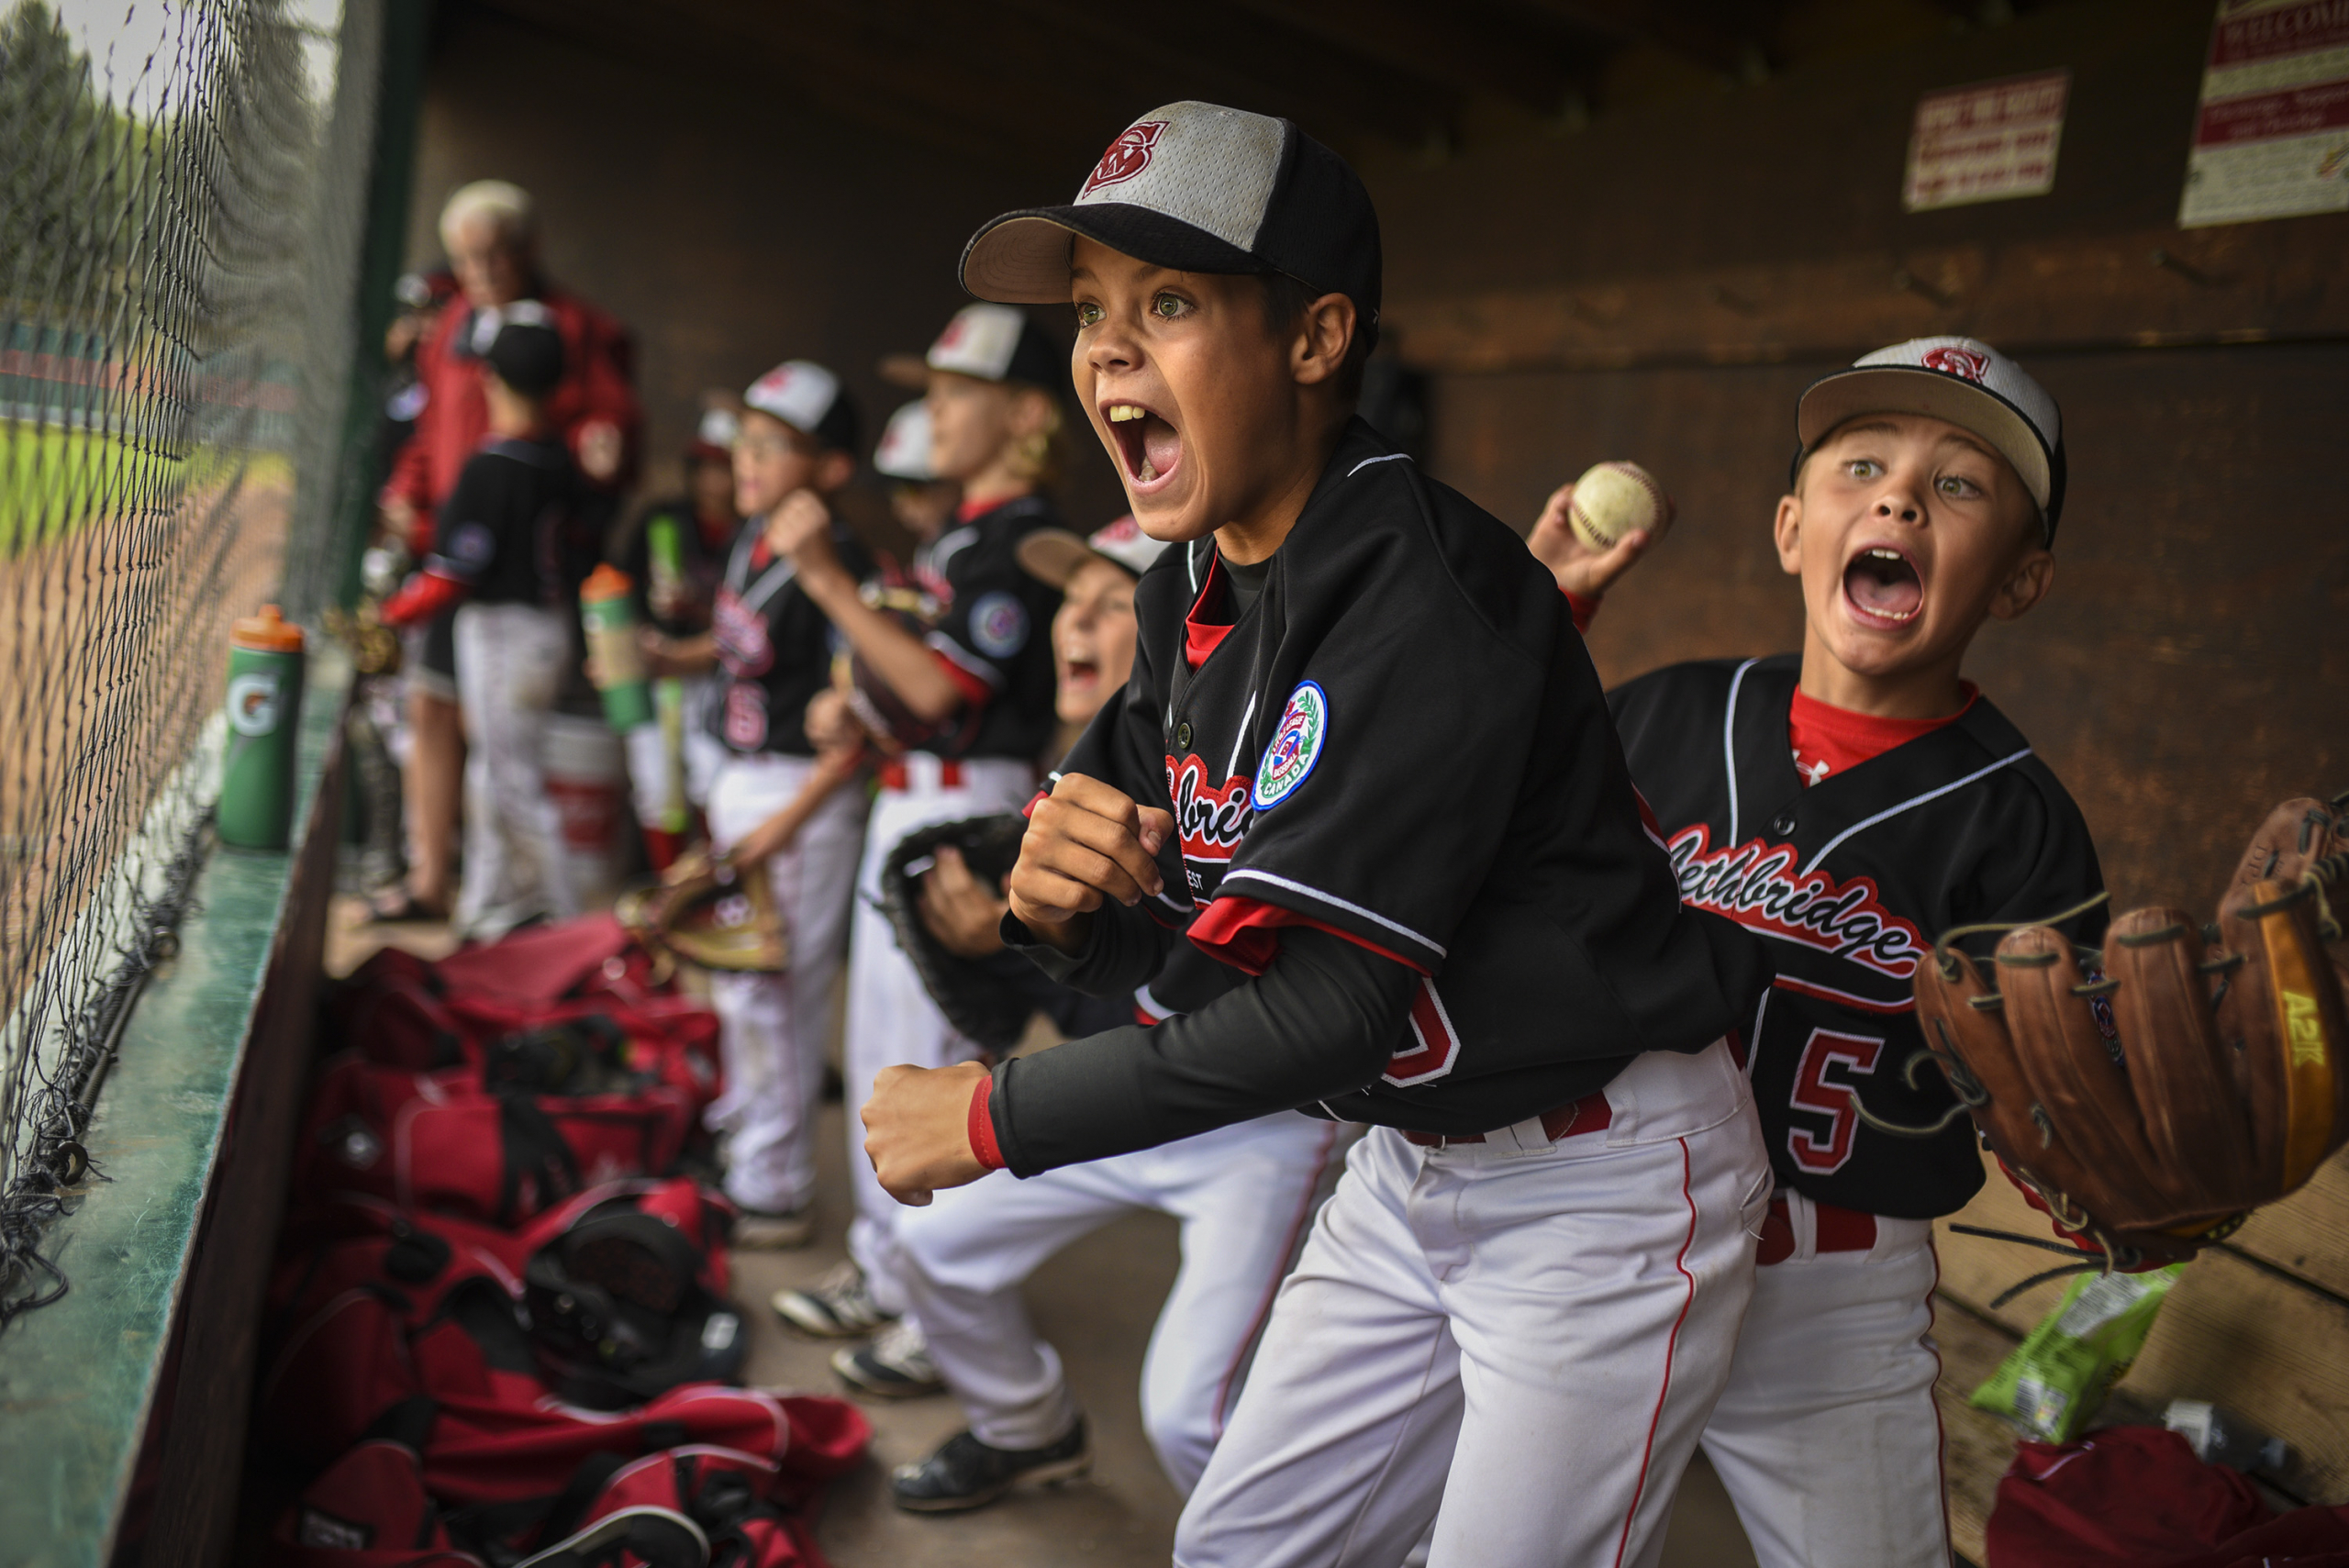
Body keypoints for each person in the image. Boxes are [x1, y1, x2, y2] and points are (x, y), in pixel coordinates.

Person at [859, 102, 1773, 1567]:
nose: (1104, 350)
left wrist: (993, 1121)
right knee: (1241, 1550)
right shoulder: (1186, 591)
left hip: (1593, 1181)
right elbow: (1155, 933)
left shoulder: (1422, 597)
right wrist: (1067, 903)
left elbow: (1336, 1011)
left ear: (1314, 337)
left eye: (1166, 301)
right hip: (1410, 1162)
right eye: (1091, 311)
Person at [1533, 337, 2102, 1568]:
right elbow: (1462, 819)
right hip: (1602, 1239)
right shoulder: (1662, 714)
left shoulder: (2021, 823)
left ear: (2019, 580)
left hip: (1830, 1290)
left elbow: (2061, 1092)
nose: (1899, 496)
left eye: (1961, 485)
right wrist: (1548, 616)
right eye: (1863, 466)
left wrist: (2103, 1162)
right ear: (1795, 528)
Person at [844, 517, 1345, 1519]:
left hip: (1257, 1125)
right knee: (930, 1249)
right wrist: (1013, 946)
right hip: (1128, 1093)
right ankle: (1026, 1427)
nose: (1070, 613)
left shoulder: (1257, 771)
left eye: (1110, 597)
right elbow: (1108, 1018)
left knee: (1189, 1414)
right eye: (1067, 592)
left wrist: (1005, 944)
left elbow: (1189, 1005)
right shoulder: (1080, 764)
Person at [767, 306, 1068, 1344]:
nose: (933, 409)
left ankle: (941, 1309)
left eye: (956, 392)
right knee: (884, 1049)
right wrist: (856, 705)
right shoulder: (964, 535)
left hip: (966, 802)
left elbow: (942, 692)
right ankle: (888, 1275)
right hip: (915, 789)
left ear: (1025, 412)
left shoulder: (1023, 543)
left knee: (935, 1065)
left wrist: (824, 583)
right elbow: (909, 691)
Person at [643, 361, 874, 1248]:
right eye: (746, 437)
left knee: (774, 990)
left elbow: (856, 722)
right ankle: (747, 1142)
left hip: (798, 795)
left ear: (832, 469)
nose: (748, 455)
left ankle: (775, 1187)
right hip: (745, 779)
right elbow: (740, 647)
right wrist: (676, 657)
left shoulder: (839, 561)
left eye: (774, 444)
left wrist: (785, 821)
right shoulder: (756, 533)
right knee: (739, 987)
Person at [372, 179, 640, 924]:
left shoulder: (572, 328)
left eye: (496, 254)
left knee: (507, 765)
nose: (481, 269)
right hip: (456, 556)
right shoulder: (455, 322)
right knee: (435, 709)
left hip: (513, 573)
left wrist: (606, 455)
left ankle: (538, 912)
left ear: (529, 250)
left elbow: (613, 436)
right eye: (467, 257)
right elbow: (431, 432)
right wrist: (409, 489)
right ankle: (441, 883)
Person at [378, 313, 600, 940]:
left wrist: (388, 614)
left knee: (513, 784)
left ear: (491, 379)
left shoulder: (491, 466)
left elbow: (452, 577)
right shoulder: (559, 456)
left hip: (505, 632)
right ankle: (484, 909)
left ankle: (574, 930)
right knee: (492, 776)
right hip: (544, 628)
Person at [614, 399, 742, 870]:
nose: (714, 480)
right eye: (705, 467)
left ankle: (712, 885)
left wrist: (701, 607)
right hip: (655, 669)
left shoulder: (752, 533)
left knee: (712, 781)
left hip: (718, 677)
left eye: (724, 467)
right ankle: (670, 886)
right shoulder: (662, 519)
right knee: (655, 785)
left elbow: (752, 621)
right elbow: (618, 592)